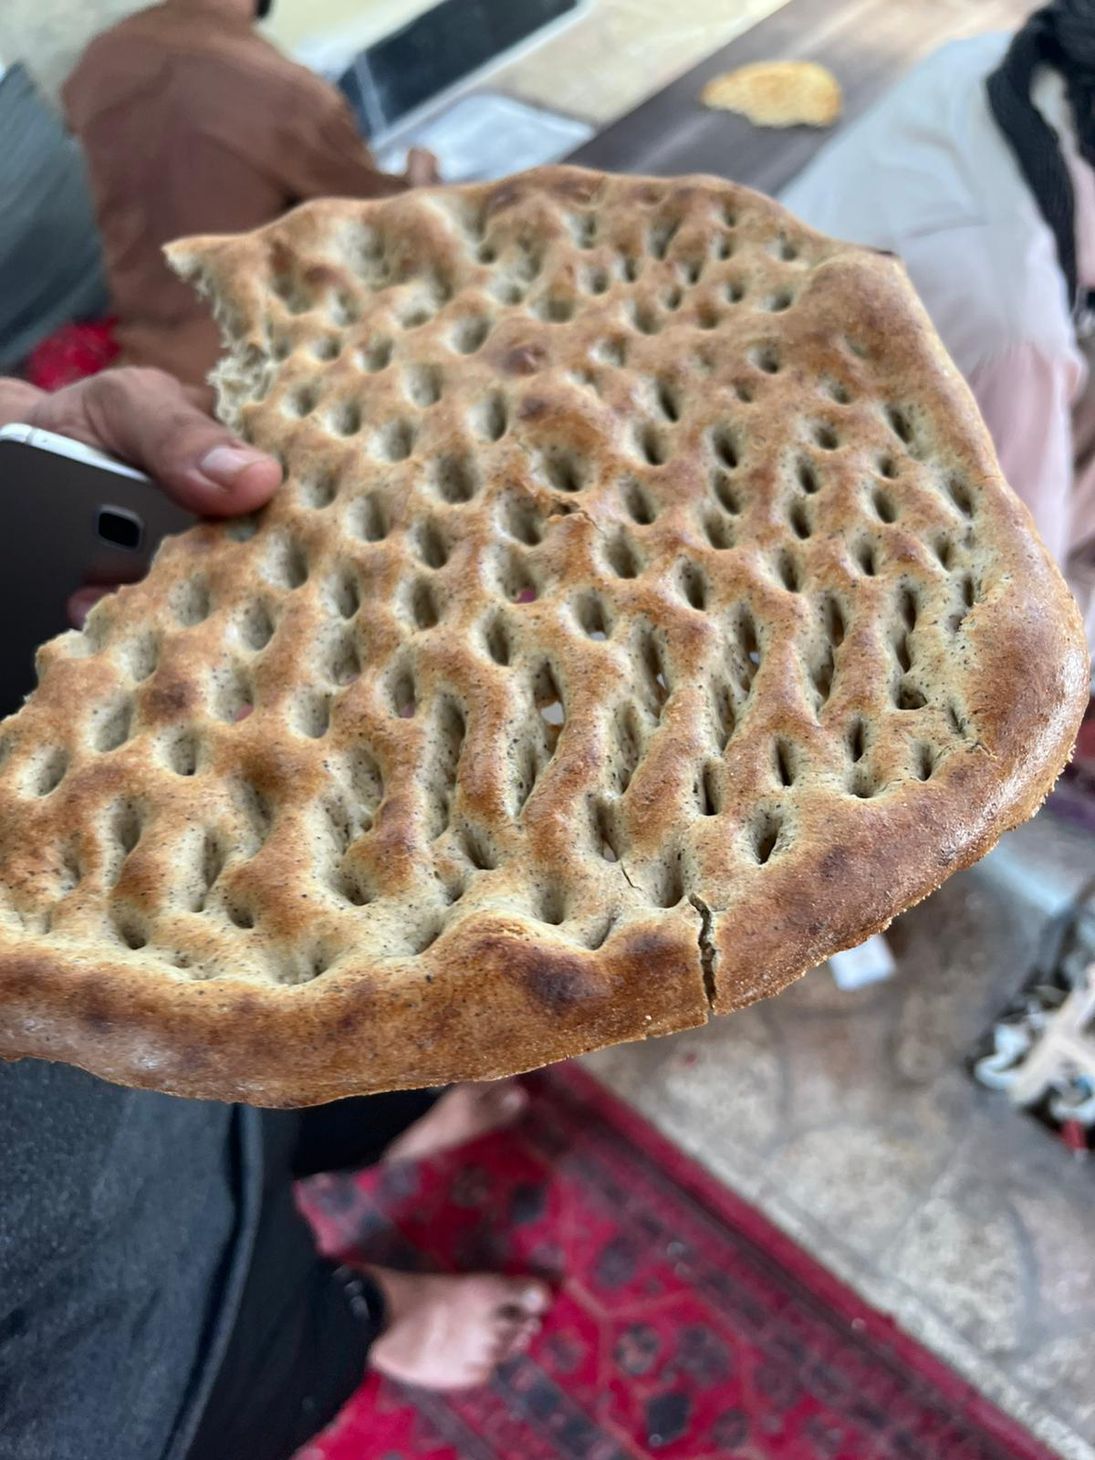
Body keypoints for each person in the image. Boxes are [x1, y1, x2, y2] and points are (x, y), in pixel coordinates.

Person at [0, 366, 549, 1460]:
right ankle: (373, 1312)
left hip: (124, 945)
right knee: (244, 1351)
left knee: (279, 1051)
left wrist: (21, 457)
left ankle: (345, 1131)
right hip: (82, 1352)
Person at [782, 0, 1095, 655]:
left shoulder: (997, 62)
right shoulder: (1016, 334)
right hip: (815, 502)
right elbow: (1008, 605)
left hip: (786, 313)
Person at [61, 0, 438, 392]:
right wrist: (421, 180)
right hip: (247, 375)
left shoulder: (99, 60)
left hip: (137, 357)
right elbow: (384, 227)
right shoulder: (286, 93)